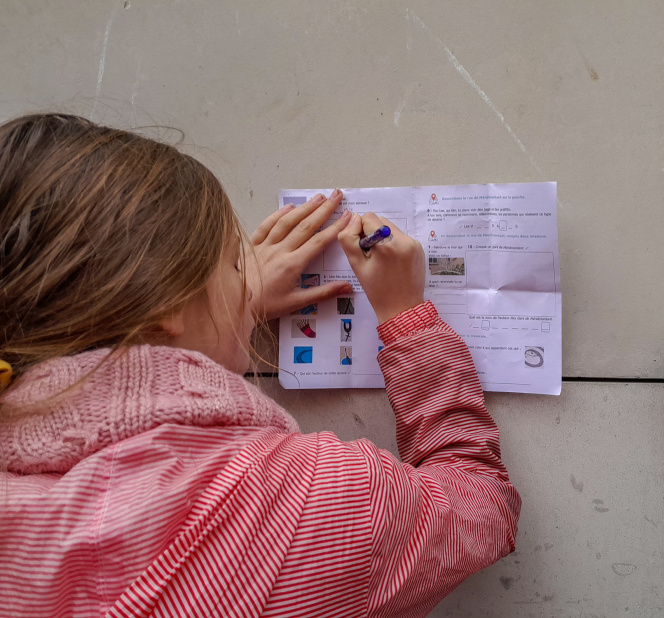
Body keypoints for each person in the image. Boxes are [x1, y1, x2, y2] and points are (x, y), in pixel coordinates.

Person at [0, 113, 520, 617]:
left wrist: (226, 311)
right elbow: (478, 506)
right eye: (232, 263)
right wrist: (409, 322)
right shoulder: (313, 507)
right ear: (167, 309)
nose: (247, 275)